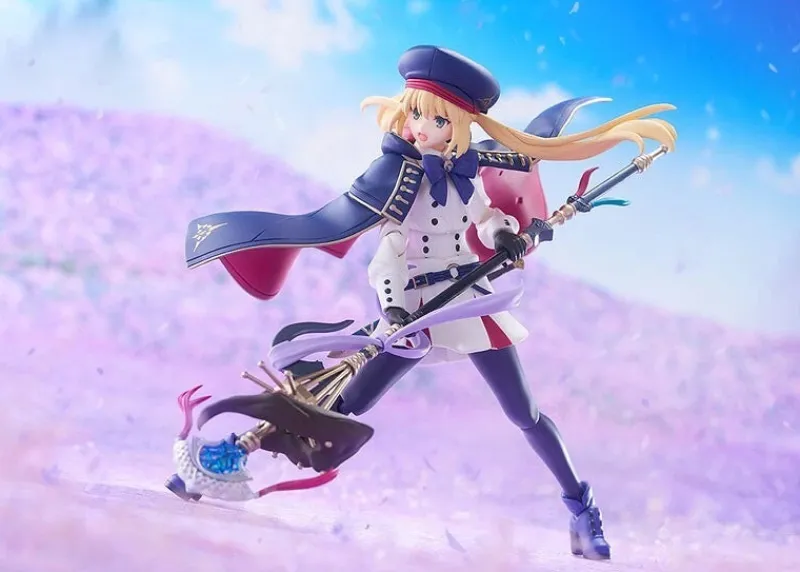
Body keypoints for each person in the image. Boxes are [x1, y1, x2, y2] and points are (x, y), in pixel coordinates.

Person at [178, 45, 677, 561]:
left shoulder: (466, 172)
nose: (420, 126)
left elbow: (484, 215)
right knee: (343, 404)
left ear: (458, 125)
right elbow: (389, 249)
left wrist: (505, 235)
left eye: (435, 119)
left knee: (524, 412)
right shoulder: (397, 177)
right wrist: (393, 308)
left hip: (467, 303)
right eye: (415, 113)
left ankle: (581, 510)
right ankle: (228, 454)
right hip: (413, 308)